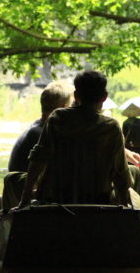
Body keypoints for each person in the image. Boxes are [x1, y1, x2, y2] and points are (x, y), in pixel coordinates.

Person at [0, 80, 140, 210]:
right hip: (51, 188)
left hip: (53, 184)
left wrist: (121, 150)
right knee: (127, 174)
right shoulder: (51, 128)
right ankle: (3, 203)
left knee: (130, 171)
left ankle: (3, 201)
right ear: (65, 107)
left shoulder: (46, 126)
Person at [17, 69, 132, 208]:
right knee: (134, 173)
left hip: (54, 200)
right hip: (96, 202)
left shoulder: (57, 118)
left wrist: (25, 199)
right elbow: (120, 174)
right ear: (104, 97)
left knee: (12, 178)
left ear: (76, 96)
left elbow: (38, 159)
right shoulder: (111, 127)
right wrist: (125, 205)